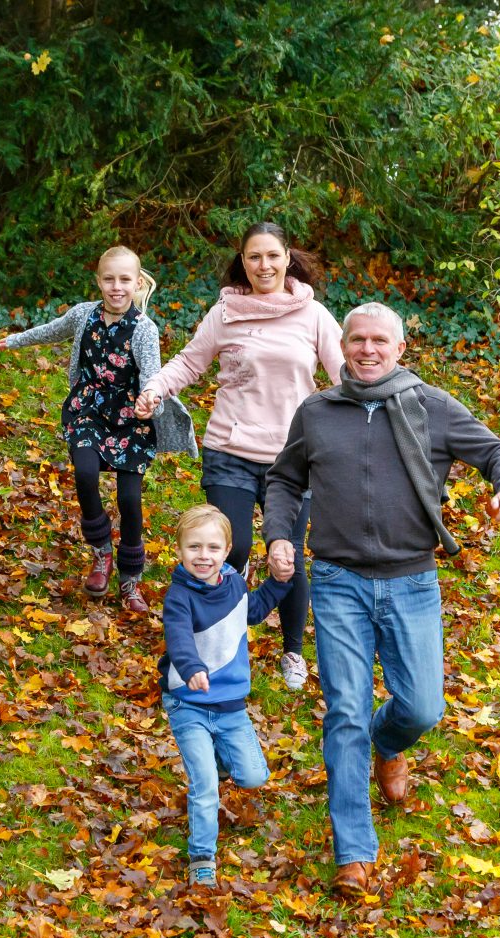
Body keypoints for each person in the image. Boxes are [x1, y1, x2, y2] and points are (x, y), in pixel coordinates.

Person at [263, 301, 500, 896]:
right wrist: (280, 533)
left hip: (412, 581)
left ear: (399, 349)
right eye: (356, 339)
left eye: (379, 340)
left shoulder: (431, 407)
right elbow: (284, 479)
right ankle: (353, 854)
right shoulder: (317, 413)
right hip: (337, 582)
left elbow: (497, 453)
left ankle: (389, 745)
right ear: (343, 346)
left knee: (421, 708)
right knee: (346, 712)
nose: (367, 350)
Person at [134, 222, 342, 690]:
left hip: (292, 458)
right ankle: (225, 625)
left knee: (286, 556)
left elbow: (344, 373)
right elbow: (189, 361)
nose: (263, 265)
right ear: (242, 262)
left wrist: (374, 409)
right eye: (254, 257)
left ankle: (291, 650)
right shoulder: (226, 312)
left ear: (288, 258)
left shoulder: (314, 315)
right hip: (229, 447)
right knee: (237, 547)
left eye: (272, 256)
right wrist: (154, 389)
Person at [0, 245, 196, 611]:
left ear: (137, 283)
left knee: (129, 500)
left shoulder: (143, 329)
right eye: (109, 279)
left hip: (130, 418)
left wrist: (150, 398)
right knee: (85, 473)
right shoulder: (83, 315)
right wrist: (15, 339)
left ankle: (130, 579)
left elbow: (153, 373)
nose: (116, 287)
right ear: (98, 281)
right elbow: (52, 330)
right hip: (86, 409)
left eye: (124, 280)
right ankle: (101, 551)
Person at [159, 504, 291, 887]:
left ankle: (218, 761)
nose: (204, 556)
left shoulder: (234, 584)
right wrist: (191, 668)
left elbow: (252, 612)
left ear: (228, 549)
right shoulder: (179, 596)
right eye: (194, 547)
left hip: (230, 705)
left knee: (252, 776)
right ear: (180, 550)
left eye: (213, 548)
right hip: (189, 702)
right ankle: (202, 858)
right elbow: (179, 636)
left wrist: (279, 583)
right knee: (205, 787)